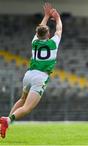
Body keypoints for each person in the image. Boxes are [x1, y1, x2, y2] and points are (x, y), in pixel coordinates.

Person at [0, 3, 62, 138]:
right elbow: (59, 30)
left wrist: (46, 16)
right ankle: (7, 120)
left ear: (38, 34)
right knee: (27, 108)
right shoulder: (53, 43)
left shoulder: (35, 42)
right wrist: (57, 18)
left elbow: (39, 30)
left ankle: (6, 123)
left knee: (22, 99)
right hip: (40, 77)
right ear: (48, 34)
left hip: (28, 74)